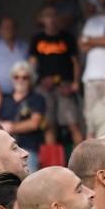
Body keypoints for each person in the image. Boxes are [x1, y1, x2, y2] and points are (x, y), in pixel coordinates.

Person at [29, 7, 80, 144]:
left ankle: (82, 161)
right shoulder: (37, 39)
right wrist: (37, 82)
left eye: (54, 15)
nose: (51, 19)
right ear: (41, 20)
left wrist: (75, 83)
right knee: (48, 126)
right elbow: (32, 64)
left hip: (64, 85)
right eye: (47, 16)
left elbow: (75, 62)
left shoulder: (67, 37)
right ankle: (53, 163)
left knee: (72, 123)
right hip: (44, 85)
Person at [0, 62, 46, 172]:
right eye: (16, 77)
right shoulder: (4, 99)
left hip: (28, 150)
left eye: (25, 77)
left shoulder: (37, 98)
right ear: (12, 79)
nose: (20, 80)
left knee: (28, 185)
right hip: (6, 151)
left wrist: (11, 127)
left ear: (31, 79)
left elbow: (35, 123)